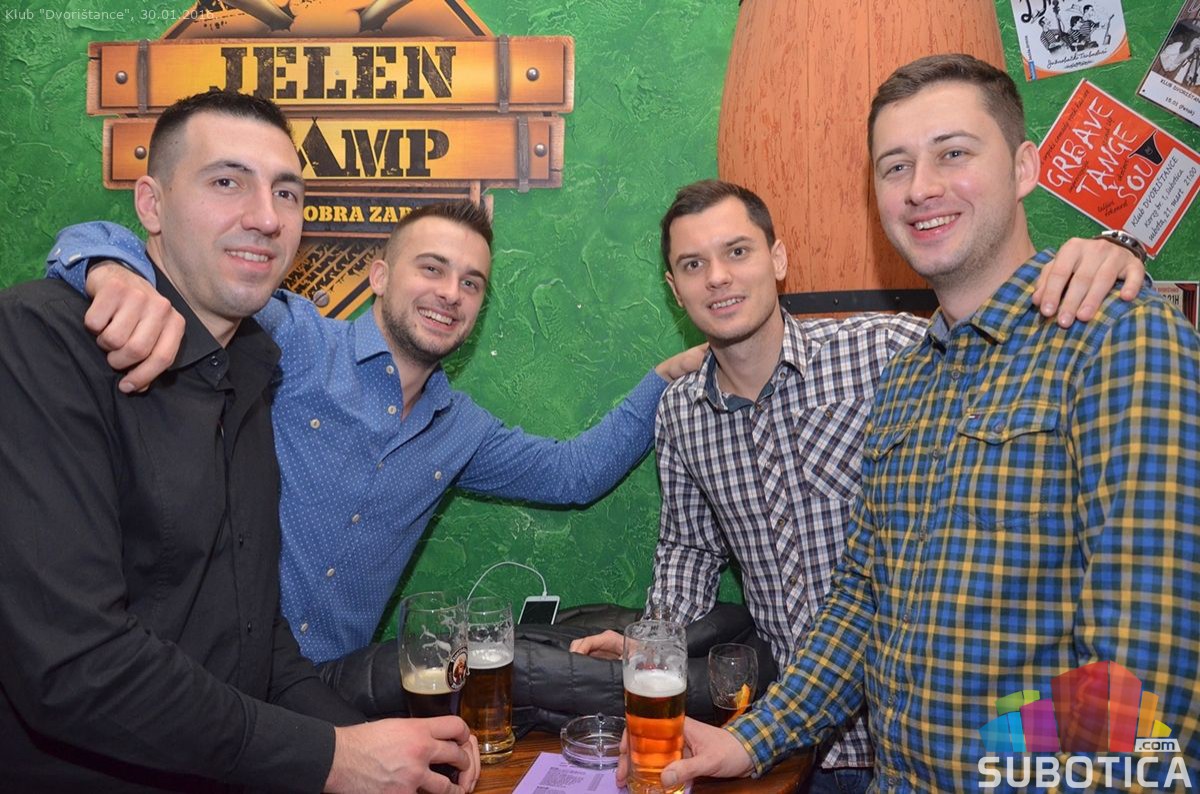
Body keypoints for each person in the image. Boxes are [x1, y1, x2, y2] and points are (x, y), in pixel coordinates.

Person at [631, 54, 1199, 792]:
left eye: (953, 153)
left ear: (1024, 168)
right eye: (895, 167)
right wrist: (752, 741)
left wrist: (1120, 251)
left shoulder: (1119, 338)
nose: (921, 187)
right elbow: (863, 603)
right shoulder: (905, 380)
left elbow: (1147, 667)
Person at [569, 177, 1144, 792]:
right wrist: (650, 646)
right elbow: (689, 549)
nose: (718, 277)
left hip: (921, 736)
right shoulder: (681, 412)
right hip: (791, 735)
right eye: (693, 264)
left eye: (737, 251)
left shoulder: (886, 352)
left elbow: (1007, 348)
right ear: (674, 289)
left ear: (778, 259)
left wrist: (1115, 258)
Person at [0, 90, 478, 792]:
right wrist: (333, 759)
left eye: (286, 193)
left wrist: (369, 745)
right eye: (227, 182)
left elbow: (257, 641)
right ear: (151, 205)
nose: (265, 217)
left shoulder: (254, 371)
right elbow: (78, 665)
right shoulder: (44, 338)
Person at [46, 199, 701, 671]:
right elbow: (115, 246)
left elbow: (575, 475)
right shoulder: (296, 340)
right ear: (379, 276)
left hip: (329, 689)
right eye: (431, 269)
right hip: (204, 673)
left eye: (471, 282)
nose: (450, 293)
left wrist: (664, 377)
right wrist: (110, 271)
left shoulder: (461, 430)